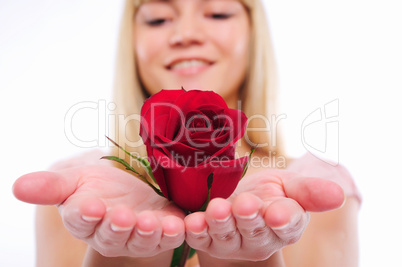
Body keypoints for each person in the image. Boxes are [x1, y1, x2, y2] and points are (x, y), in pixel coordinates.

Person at [13, 0, 361, 266]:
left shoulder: (312, 187)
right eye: (159, 18)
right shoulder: (79, 189)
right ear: (132, 41)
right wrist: (114, 258)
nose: (185, 34)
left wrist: (255, 259)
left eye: (218, 12)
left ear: (254, 32)